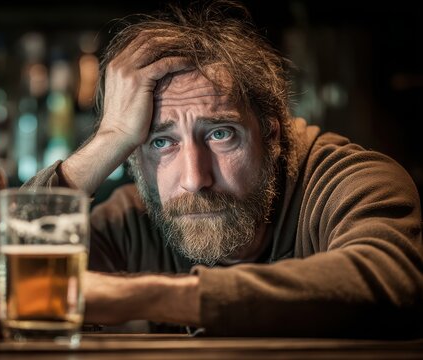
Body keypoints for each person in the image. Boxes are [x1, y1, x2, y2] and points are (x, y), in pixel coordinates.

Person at [23, 0, 423, 337]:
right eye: (162, 142)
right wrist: (109, 138)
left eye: (220, 135)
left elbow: (390, 279)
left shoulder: (352, 183)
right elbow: (3, 283)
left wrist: (145, 296)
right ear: (134, 159)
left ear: (271, 133)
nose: (196, 179)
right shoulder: (130, 222)